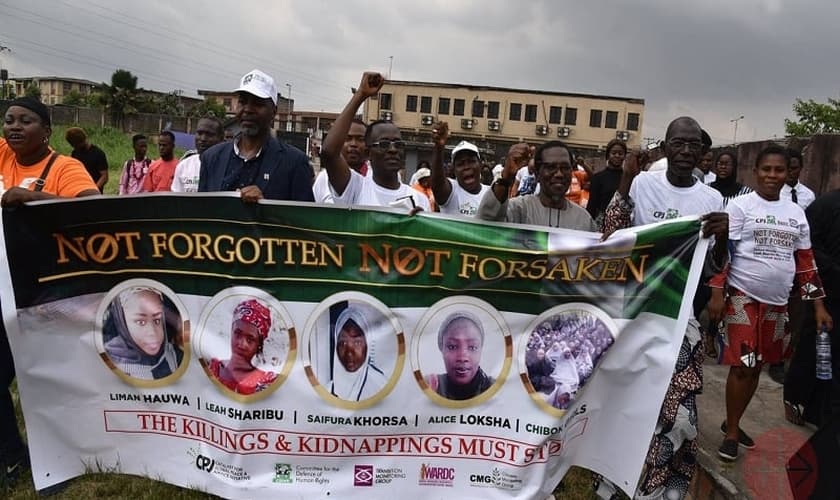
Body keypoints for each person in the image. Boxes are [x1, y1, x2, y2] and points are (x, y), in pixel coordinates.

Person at [601, 116, 729, 499]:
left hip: (680, 317)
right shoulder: (642, 184)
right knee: (628, 403)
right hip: (636, 314)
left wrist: (723, 240)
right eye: (679, 143)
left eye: (694, 145)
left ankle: (661, 489)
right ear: (666, 147)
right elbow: (611, 235)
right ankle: (613, 484)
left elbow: (714, 266)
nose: (687, 151)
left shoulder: (710, 199)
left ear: (702, 152)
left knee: (678, 413)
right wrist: (625, 178)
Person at [707, 145, 832, 461]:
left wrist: (818, 306)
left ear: (788, 174)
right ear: (756, 172)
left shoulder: (795, 213)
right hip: (743, 297)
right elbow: (724, 254)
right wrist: (717, 293)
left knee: (758, 366)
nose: (773, 176)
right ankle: (733, 433)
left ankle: (731, 421)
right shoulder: (740, 207)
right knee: (745, 365)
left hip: (778, 305)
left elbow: (806, 262)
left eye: (779, 170)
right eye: (767, 170)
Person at [0, 96, 100, 485]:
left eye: (26, 121)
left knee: (45, 384)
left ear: (47, 131)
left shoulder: (65, 167)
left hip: (46, 294)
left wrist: (35, 198)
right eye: (9, 120)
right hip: (5, 289)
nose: (14, 127)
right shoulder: (4, 155)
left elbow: (95, 211)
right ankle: (13, 457)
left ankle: (59, 463)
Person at [198, 69, 315, 203]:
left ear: (274, 111)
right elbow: (202, 213)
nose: (247, 109)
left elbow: (303, 221)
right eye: (243, 102)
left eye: (257, 103)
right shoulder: (211, 158)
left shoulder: (295, 163)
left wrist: (265, 207)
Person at [320, 72, 429, 212]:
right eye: (384, 144)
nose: (393, 150)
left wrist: (419, 223)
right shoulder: (356, 187)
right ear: (368, 153)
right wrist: (360, 95)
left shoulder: (420, 200)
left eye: (398, 144)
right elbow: (329, 152)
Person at [784, 187, 840, 427]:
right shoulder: (826, 204)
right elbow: (807, 251)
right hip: (824, 292)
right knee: (816, 347)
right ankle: (795, 398)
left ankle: (821, 408)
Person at [477, 141, 597, 231]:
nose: (559, 174)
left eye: (565, 168)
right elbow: (484, 227)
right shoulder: (518, 209)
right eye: (551, 167)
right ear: (537, 173)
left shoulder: (584, 220)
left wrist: (613, 240)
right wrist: (506, 178)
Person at [103, 287, 183, 380]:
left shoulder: (174, 356)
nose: (152, 333)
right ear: (122, 322)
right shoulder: (105, 365)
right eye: (141, 322)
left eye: (157, 320)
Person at [209, 299, 278, 395]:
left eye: (250, 339)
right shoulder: (212, 368)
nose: (241, 344)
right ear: (231, 331)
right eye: (237, 334)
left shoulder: (267, 382)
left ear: (259, 344)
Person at [426, 312, 494, 401]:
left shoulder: (497, 388)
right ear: (441, 348)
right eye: (452, 347)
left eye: (472, 347)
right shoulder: (429, 386)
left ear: (481, 349)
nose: (462, 358)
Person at [430, 123, 490, 217]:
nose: (466, 167)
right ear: (453, 170)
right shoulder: (451, 191)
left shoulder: (490, 193)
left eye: (471, 161)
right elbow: (437, 183)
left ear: (480, 164)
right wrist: (439, 148)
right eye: (460, 164)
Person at [329, 306, 387, 401]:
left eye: (357, 343)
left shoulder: (381, 387)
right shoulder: (327, 390)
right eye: (343, 343)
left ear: (367, 345)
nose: (349, 353)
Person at [312, 118, 369, 203]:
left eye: (360, 139)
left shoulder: (375, 178)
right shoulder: (323, 178)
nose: (353, 144)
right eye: (347, 138)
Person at [171, 116, 224, 192]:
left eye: (209, 134)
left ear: (221, 138)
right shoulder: (183, 166)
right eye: (199, 133)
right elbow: (176, 199)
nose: (203, 139)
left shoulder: (229, 167)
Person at [586, 139, 626, 229]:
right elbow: (592, 205)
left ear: (624, 156)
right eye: (614, 153)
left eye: (620, 153)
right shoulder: (598, 177)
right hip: (602, 223)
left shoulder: (628, 178)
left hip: (622, 224)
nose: (617, 156)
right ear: (608, 155)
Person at [65, 127, 108, 193]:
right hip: (78, 191)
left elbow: (104, 176)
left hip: (94, 194)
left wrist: (94, 190)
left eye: (76, 145)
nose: (74, 147)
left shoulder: (98, 154)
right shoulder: (75, 153)